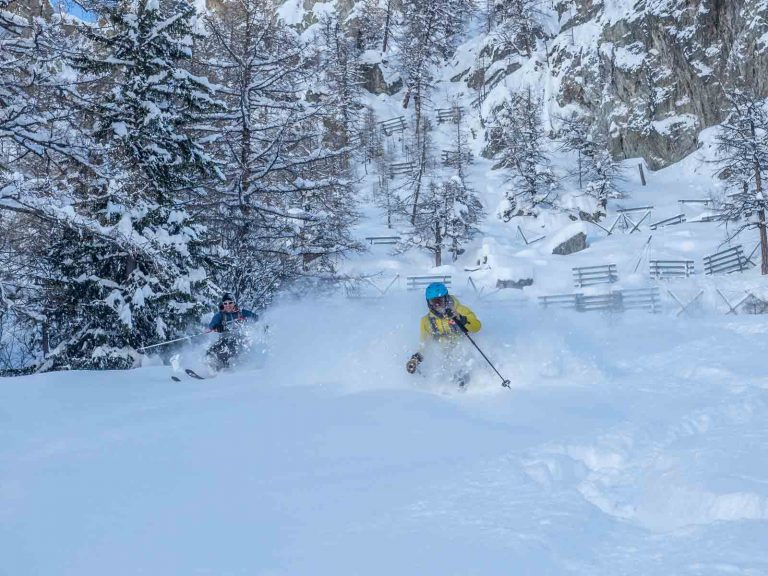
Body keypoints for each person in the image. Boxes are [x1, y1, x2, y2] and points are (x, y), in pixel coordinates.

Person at [405, 282, 481, 387]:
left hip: (464, 354)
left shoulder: (461, 310)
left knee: (462, 376)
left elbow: (477, 327)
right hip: (444, 358)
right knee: (441, 377)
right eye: (433, 302)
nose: (437, 305)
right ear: (428, 303)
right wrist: (415, 359)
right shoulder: (426, 321)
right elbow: (424, 344)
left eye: (439, 301)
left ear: (446, 298)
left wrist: (460, 318)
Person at [206, 293, 258, 370]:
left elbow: (255, 317)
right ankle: (213, 368)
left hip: (240, 341)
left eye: (230, 302)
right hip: (225, 340)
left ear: (234, 303)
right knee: (211, 350)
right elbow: (211, 325)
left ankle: (229, 368)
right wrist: (216, 326)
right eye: (225, 303)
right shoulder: (220, 315)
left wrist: (258, 321)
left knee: (227, 348)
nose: (228, 305)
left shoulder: (241, 313)